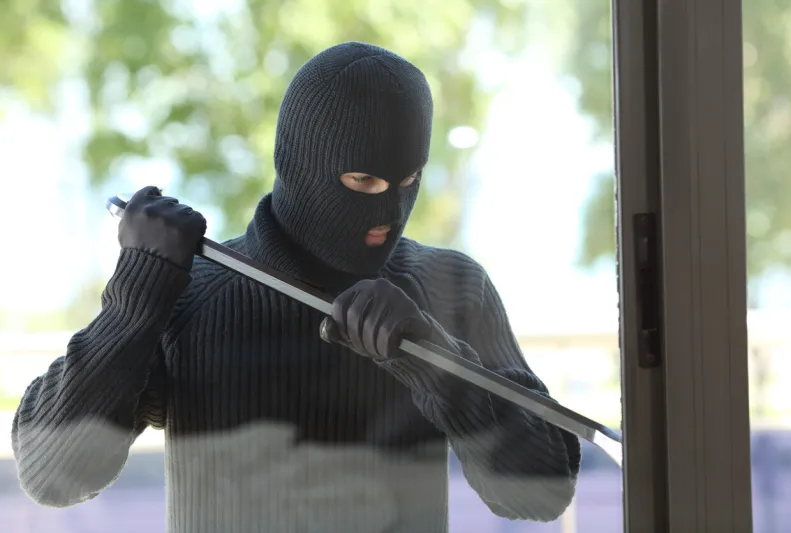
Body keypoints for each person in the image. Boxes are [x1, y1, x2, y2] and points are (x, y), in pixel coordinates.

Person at [11, 42, 581, 533]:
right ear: (300, 162)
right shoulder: (190, 293)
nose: (389, 207)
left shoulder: (451, 285)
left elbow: (542, 492)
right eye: (363, 179)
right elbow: (52, 474)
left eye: (408, 180)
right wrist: (135, 299)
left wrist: (439, 364)